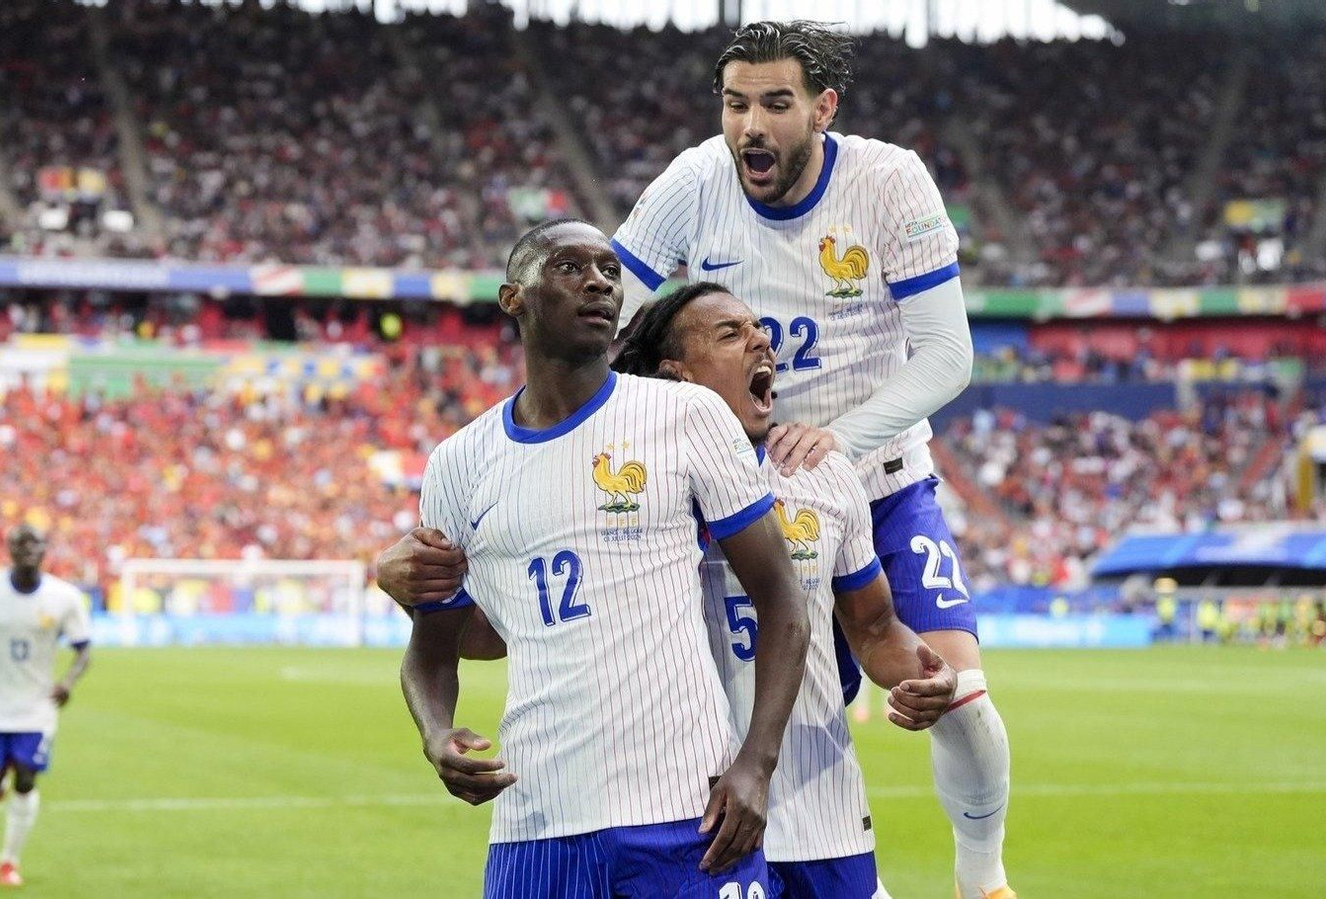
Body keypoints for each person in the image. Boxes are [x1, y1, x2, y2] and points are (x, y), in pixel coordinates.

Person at [606, 23, 1016, 897]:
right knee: (721, 719)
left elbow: (948, 356)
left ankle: (982, 877)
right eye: (735, 102)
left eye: (776, 103)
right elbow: (606, 323)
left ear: (824, 108)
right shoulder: (692, 183)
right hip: (744, 502)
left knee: (959, 694)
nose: (751, 124)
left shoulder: (889, 181)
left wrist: (840, 441)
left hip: (880, 482)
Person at [404, 281, 962, 897]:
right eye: (730, 334)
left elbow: (876, 628)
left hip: (815, 812)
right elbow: (504, 628)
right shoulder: (617, 482)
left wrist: (922, 673)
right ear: (678, 376)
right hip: (680, 809)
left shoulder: (821, 475)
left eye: (758, 329)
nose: (761, 340)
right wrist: (407, 583)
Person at [398, 220, 811, 896]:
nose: (598, 281)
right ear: (514, 299)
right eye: (569, 267)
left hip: (688, 813)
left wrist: (756, 764)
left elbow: (782, 601)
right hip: (536, 820)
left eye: (609, 270)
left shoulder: (685, 416)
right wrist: (436, 731)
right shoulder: (457, 463)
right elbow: (431, 646)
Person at [0, 524, 92, 888]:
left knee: (27, 779)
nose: (28, 550)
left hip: (36, 708)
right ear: (9, 549)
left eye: (35, 544)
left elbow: (83, 650)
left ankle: (8, 860)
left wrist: (67, 682)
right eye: (20, 544)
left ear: (45, 550)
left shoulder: (64, 597)